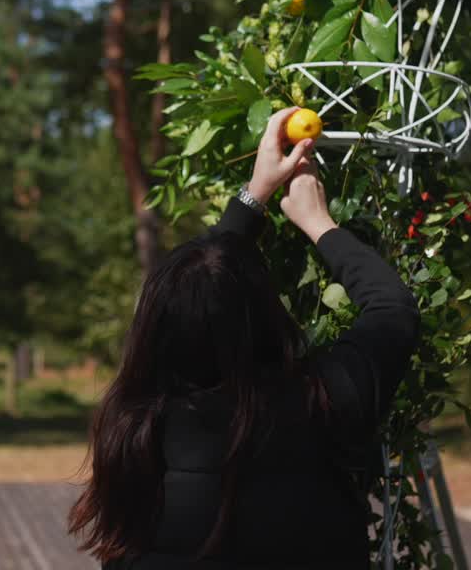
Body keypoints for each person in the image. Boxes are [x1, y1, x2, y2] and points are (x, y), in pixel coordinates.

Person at [68, 108, 422, 570]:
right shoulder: (324, 399)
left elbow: (201, 287)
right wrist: (318, 223)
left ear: (154, 325)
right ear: (264, 313)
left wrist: (254, 196)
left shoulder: (134, 423)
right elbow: (392, 309)